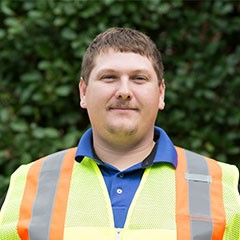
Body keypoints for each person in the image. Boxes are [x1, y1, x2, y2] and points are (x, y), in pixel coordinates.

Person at [0, 27, 239, 240]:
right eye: (109, 77)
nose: (124, 91)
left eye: (139, 78)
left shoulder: (221, 183)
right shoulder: (30, 181)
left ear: (161, 93)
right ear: (83, 92)